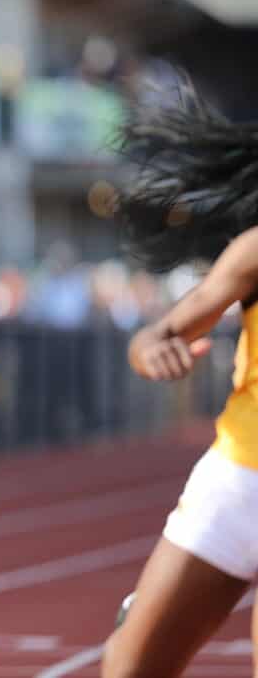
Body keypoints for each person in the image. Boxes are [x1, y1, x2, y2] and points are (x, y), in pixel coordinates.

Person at [102, 76, 258, 677]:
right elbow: (155, 336)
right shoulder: (253, 251)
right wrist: (155, 352)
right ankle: (141, 620)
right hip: (240, 478)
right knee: (129, 669)